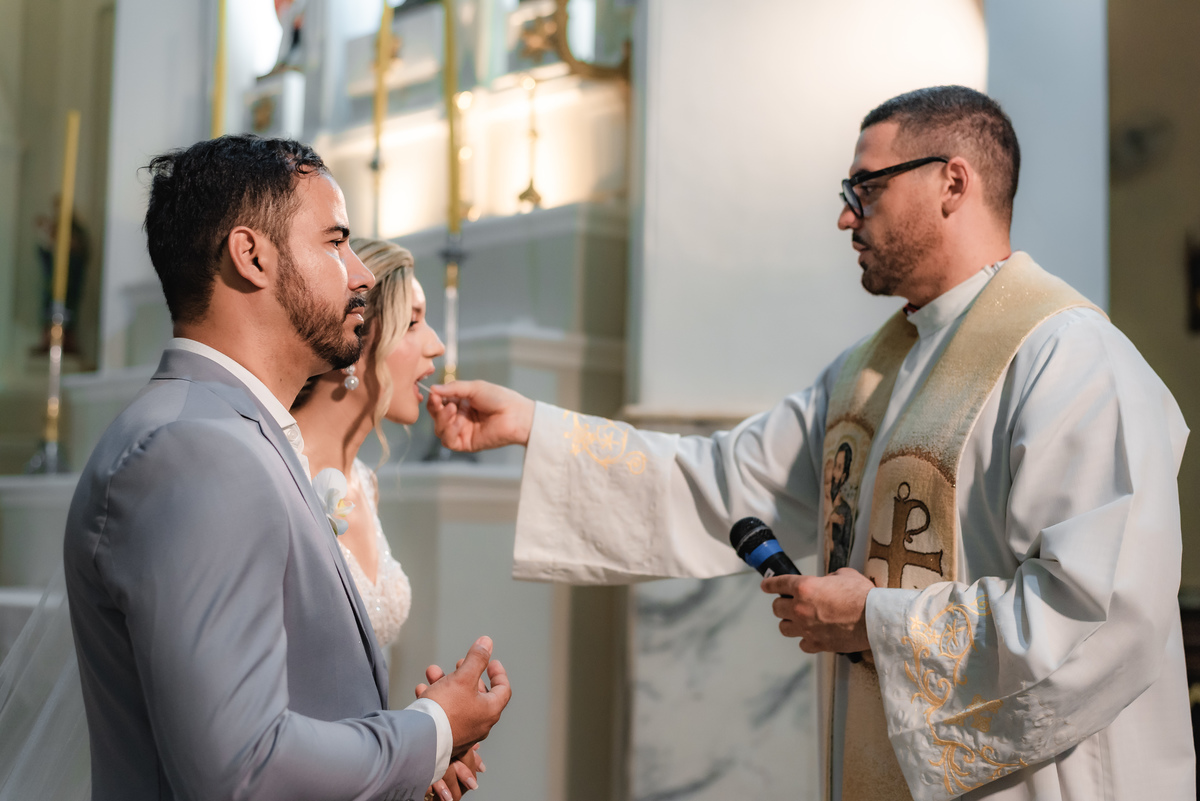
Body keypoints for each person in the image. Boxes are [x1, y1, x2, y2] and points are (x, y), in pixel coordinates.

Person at [423, 86, 1193, 801]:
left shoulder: (1070, 359)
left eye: (866, 189)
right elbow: (724, 479)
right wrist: (534, 425)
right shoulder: (865, 374)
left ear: (953, 183)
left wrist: (879, 620)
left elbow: (1099, 613)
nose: (846, 217)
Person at [61, 134, 510, 801]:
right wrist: (431, 729)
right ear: (252, 256)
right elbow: (241, 767)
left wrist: (408, 763)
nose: (360, 273)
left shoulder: (239, 433)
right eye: (335, 242)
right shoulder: (199, 449)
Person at [290, 238, 481, 801]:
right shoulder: (275, 470)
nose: (438, 345)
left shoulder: (361, 484)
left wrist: (424, 753)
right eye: (415, 321)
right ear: (356, 334)